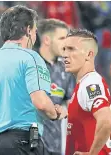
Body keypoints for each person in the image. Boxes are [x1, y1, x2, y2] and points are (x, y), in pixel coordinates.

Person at [0, 5, 68, 155]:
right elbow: (41, 103)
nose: (35, 37)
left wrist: (3, 113)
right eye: (35, 32)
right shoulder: (31, 58)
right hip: (24, 143)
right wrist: (56, 113)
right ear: (28, 30)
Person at [62, 29, 111, 155]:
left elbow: (107, 121)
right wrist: (104, 145)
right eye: (64, 49)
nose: (65, 54)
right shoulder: (85, 83)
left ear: (89, 54)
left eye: (71, 49)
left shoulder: (90, 84)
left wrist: (93, 153)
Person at [37, 19, 76, 155]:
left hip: (56, 147)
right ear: (47, 40)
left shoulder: (65, 70)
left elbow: (72, 107)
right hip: (31, 146)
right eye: (61, 38)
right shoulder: (30, 65)